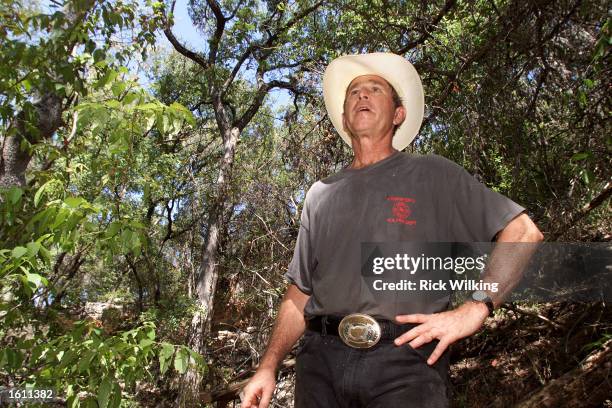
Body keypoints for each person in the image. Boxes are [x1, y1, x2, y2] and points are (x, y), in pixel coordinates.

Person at [241, 53, 544, 408]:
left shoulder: (434, 175)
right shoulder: (320, 194)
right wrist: (267, 366)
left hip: (406, 365)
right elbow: (298, 294)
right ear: (344, 118)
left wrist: (476, 308)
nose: (362, 96)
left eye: (375, 90)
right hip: (319, 365)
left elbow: (523, 233)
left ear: (398, 114)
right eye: (354, 92)